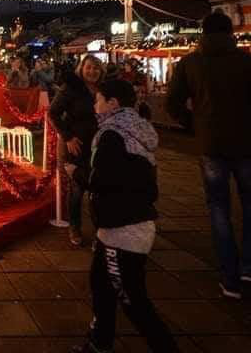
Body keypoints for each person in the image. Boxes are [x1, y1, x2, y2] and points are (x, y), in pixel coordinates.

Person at [166, 11, 251, 301]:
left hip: (211, 146)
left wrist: (194, 125)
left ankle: (229, 276)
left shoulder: (190, 63)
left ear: (203, 33)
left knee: (219, 208)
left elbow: (172, 102)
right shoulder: (248, 62)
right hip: (247, 144)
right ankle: (250, 267)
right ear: (230, 32)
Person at [71, 78, 179, 353]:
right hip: (125, 222)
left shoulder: (112, 134)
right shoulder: (134, 129)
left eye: (98, 100)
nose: (95, 105)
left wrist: (77, 174)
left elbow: (102, 177)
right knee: (100, 283)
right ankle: (100, 341)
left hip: (124, 227)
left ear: (113, 103)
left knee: (131, 298)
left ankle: (165, 347)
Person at [48, 53, 104, 246]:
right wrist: (68, 137)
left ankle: (101, 231)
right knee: (78, 190)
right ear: (81, 68)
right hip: (77, 145)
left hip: (99, 146)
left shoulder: (103, 89)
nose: (92, 71)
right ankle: (75, 227)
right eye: (89, 67)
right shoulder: (71, 88)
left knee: (98, 189)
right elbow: (53, 113)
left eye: (96, 68)